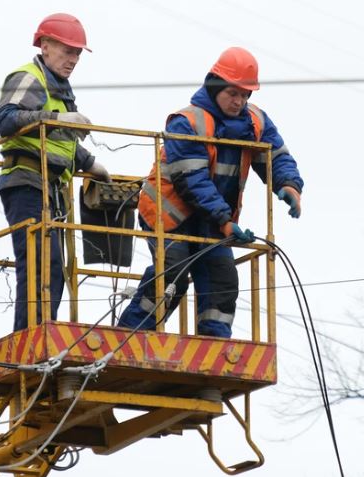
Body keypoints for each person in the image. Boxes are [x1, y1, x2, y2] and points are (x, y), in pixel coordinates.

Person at [116, 47, 304, 338]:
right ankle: (129, 336)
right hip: (169, 213)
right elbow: (193, 181)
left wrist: (289, 184)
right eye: (233, 93)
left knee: (222, 279)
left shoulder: (255, 122)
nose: (239, 101)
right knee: (172, 274)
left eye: (245, 95)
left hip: (213, 220)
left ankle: (214, 344)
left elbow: (276, 155)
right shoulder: (187, 122)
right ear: (215, 86)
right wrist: (225, 221)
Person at [0, 13, 110, 331]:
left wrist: (90, 164)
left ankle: (41, 333)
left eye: (76, 53)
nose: (73, 59)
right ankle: (30, 339)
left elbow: (59, 144)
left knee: (53, 268)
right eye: (67, 50)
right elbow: (5, 120)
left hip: (52, 187)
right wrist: (57, 120)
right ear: (45, 46)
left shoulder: (61, 90)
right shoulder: (30, 78)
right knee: (40, 263)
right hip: (26, 182)